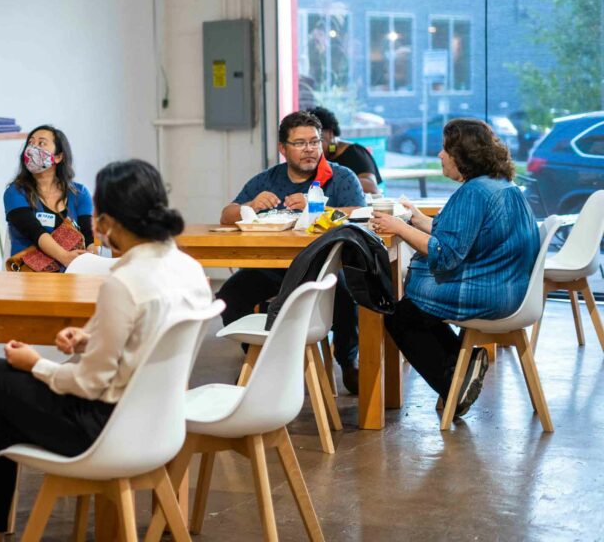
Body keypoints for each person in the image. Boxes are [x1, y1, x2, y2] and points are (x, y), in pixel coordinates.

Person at [0, 159, 212, 541]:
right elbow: (148, 338)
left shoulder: (124, 283)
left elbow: (89, 383)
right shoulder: (190, 269)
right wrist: (91, 338)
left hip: (106, 431)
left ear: (108, 222)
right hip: (162, 422)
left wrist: (36, 364)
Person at [373, 118, 538, 416]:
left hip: (489, 294)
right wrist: (417, 219)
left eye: (445, 149)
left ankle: (455, 385)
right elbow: (463, 235)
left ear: (463, 155)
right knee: (413, 311)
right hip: (512, 290)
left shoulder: (474, 192)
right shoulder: (501, 186)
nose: (440, 155)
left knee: (400, 315)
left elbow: (445, 253)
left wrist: (398, 227)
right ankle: (462, 369)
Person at [217, 110, 366, 393]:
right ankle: (260, 356)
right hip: (274, 268)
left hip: (326, 268)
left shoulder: (341, 177)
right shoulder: (267, 180)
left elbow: (360, 213)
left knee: (347, 292)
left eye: (314, 142)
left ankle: (348, 362)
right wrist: (250, 206)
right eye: (300, 143)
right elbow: (227, 215)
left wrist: (319, 208)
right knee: (229, 296)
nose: (309, 149)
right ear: (283, 149)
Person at [3, 126, 95, 269]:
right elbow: (34, 231)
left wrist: (92, 256)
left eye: (41, 143)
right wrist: (65, 257)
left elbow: (88, 235)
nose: (32, 148)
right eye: (30, 143)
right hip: (30, 273)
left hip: (74, 270)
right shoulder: (15, 192)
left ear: (58, 157)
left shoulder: (80, 193)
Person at [309, 105, 383, 194]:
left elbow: (371, 188)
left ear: (330, 133)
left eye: (315, 141)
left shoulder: (355, 153)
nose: (310, 148)